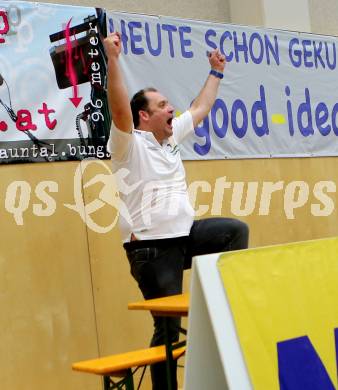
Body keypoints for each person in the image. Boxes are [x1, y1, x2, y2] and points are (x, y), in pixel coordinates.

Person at [104, 32, 249, 390]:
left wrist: (215, 72)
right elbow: (119, 109)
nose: (172, 109)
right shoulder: (128, 145)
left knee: (234, 231)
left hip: (184, 238)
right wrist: (113, 60)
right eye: (163, 105)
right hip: (151, 251)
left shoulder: (169, 139)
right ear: (144, 116)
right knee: (167, 331)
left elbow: (200, 108)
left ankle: (219, 308)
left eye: (170, 104)